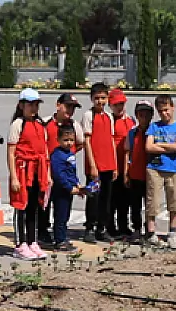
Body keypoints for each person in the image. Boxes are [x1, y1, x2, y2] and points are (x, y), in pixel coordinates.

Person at [6, 88, 49, 261]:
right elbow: (11, 152)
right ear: (21, 105)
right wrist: (14, 176)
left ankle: (32, 241)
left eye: (36, 104)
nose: (34, 108)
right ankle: (20, 244)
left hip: (38, 171)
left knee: (34, 207)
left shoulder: (40, 125)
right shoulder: (18, 124)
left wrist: (48, 175)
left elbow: (44, 152)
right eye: (30, 104)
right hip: (23, 170)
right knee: (21, 207)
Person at [145, 94, 176, 248]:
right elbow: (148, 147)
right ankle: (151, 233)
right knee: (153, 202)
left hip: (173, 169)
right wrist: (168, 147)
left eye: (167, 109)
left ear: (173, 107)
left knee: (174, 202)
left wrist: (160, 146)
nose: (164, 113)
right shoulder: (154, 127)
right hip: (154, 168)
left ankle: (172, 234)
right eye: (161, 111)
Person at [41, 93, 81, 244]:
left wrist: (66, 157)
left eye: (73, 108)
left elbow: (80, 143)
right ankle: (43, 232)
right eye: (67, 106)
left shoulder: (74, 125)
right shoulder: (45, 124)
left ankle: (59, 236)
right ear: (58, 105)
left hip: (64, 175)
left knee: (62, 209)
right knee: (45, 206)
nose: (70, 111)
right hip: (48, 172)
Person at [80, 82, 117, 243]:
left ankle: (102, 228)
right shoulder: (89, 116)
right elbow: (87, 141)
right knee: (93, 197)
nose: (100, 101)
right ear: (91, 99)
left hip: (108, 164)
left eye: (103, 98)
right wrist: (93, 165)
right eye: (97, 98)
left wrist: (114, 165)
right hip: (95, 166)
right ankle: (90, 228)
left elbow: (112, 141)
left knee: (106, 199)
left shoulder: (109, 116)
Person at [123, 100, 154, 243]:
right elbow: (127, 153)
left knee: (150, 204)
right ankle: (136, 229)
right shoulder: (132, 133)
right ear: (136, 115)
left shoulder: (154, 132)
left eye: (147, 114)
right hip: (135, 174)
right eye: (141, 114)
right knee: (135, 205)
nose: (144, 117)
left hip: (151, 175)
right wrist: (125, 173)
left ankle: (150, 230)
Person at [49, 125, 84, 253]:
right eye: (65, 140)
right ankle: (59, 241)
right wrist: (69, 187)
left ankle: (63, 237)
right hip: (61, 190)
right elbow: (59, 175)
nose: (69, 143)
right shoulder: (57, 155)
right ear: (58, 140)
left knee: (66, 216)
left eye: (71, 140)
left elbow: (71, 172)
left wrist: (78, 184)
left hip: (69, 189)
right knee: (60, 215)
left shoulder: (70, 153)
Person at [108, 88, 136, 240]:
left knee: (125, 198)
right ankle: (110, 226)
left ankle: (124, 225)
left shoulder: (131, 120)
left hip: (126, 165)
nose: (119, 107)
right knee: (111, 199)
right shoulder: (109, 120)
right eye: (116, 104)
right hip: (112, 165)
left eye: (121, 104)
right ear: (110, 105)